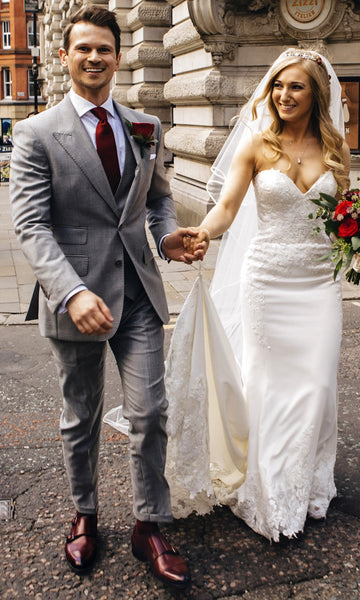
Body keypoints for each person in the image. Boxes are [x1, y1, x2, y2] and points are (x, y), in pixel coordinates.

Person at [9, 5, 204, 591]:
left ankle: (150, 524)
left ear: (117, 57)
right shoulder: (36, 133)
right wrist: (70, 293)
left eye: (104, 49)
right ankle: (85, 513)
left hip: (139, 294)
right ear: (66, 56)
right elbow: (31, 225)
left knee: (149, 413)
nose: (95, 58)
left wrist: (167, 237)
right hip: (78, 299)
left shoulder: (146, 126)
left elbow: (157, 199)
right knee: (81, 417)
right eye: (83, 49)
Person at [175, 48, 351, 541]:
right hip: (267, 281)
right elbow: (227, 207)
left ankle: (307, 481)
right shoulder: (256, 145)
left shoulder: (336, 149)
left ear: (316, 92)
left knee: (316, 385)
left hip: (319, 284)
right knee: (269, 384)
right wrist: (203, 233)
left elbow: (344, 220)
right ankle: (271, 489)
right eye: (277, 85)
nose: (284, 95)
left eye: (296, 86)